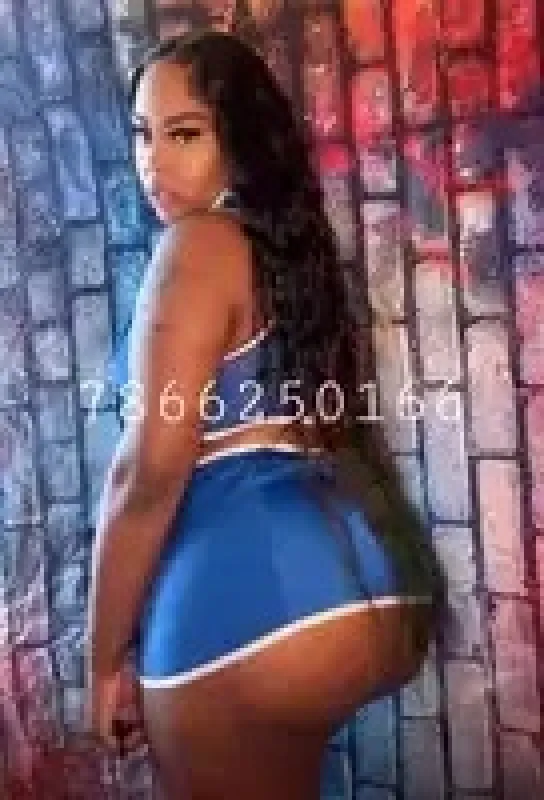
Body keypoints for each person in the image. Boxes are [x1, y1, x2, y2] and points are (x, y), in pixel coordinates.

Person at [85, 28, 448, 800]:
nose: (153, 160)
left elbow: (148, 473)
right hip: (375, 582)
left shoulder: (197, 246)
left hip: (250, 602)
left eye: (185, 134)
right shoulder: (290, 255)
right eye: (143, 134)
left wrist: (104, 660)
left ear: (239, 140)